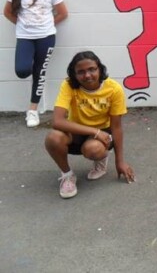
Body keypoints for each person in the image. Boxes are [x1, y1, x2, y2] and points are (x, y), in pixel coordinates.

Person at [44, 51, 135, 199]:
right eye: (81, 72)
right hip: (77, 130)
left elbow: (116, 127)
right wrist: (94, 131)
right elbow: (57, 121)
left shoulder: (114, 89)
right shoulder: (68, 85)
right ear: (74, 74)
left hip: (103, 133)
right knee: (53, 138)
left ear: (100, 69)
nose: (87, 75)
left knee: (93, 150)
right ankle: (67, 175)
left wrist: (120, 162)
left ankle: (101, 159)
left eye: (92, 69)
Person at [3, 0, 68, 127]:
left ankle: (32, 110)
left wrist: (48, 25)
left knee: (40, 73)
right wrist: (22, 24)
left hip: (46, 38)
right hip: (25, 37)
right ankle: (33, 64)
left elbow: (63, 13)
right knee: (22, 70)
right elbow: (7, 12)